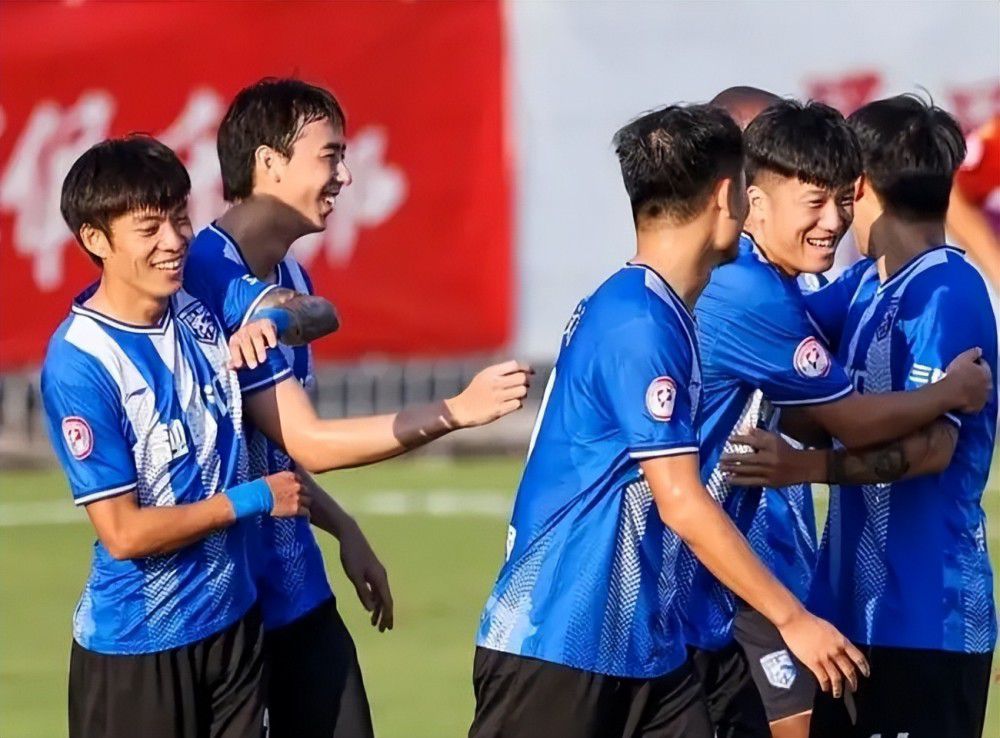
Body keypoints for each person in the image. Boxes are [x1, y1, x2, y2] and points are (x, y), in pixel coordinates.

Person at [470, 103, 868, 738]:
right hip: (560, 639)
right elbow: (680, 500)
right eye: (745, 187)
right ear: (725, 197)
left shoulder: (669, 308)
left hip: (647, 649)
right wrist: (792, 618)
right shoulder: (640, 320)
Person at [681, 99, 992, 738]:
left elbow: (932, 450)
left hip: (926, 617)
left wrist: (807, 466)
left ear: (860, 185)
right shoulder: (863, 286)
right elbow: (774, 310)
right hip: (852, 616)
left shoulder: (947, 290)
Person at [43, 135, 309, 738]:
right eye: (149, 228)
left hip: (235, 629)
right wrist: (254, 499)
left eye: (180, 218)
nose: (174, 241)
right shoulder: (81, 361)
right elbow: (123, 533)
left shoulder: (201, 303)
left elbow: (313, 309)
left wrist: (266, 320)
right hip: (137, 650)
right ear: (95, 240)